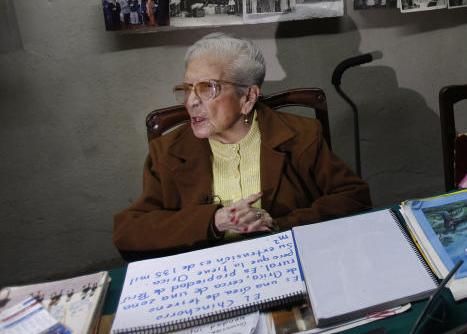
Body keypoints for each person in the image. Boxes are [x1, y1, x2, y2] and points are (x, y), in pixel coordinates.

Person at [113, 33, 372, 258]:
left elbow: (354, 200)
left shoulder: (301, 136)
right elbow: (129, 232)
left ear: (248, 98)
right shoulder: (167, 151)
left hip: (287, 263)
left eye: (207, 89)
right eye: (188, 88)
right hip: (208, 280)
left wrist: (279, 226)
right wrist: (214, 221)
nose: (191, 102)